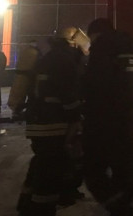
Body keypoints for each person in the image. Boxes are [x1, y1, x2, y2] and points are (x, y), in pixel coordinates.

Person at [17, 28, 84, 216]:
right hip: (53, 124)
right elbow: (68, 94)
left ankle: (26, 203)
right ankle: (42, 210)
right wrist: (76, 117)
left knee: (40, 163)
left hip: (38, 120)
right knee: (50, 171)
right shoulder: (64, 61)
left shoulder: (47, 58)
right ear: (71, 43)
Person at [83, 18, 133, 216]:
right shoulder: (132, 47)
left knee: (93, 173)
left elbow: (94, 86)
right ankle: (123, 208)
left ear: (95, 34)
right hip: (132, 123)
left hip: (107, 124)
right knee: (123, 174)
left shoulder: (102, 48)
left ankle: (119, 209)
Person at [8, 40, 42, 120]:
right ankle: (28, 111)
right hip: (31, 78)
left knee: (19, 95)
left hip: (22, 78)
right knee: (31, 96)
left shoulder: (25, 52)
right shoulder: (36, 53)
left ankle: (18, 110)